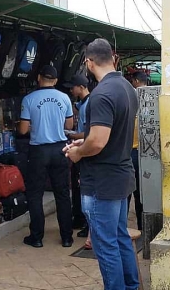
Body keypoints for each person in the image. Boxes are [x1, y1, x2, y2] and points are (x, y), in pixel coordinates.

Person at [63, 38, 139, 290]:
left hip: (102, 183)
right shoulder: (127, 88)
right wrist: (80, 144)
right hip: (121, 175)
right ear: (113, 58)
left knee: (106, 246)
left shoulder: (101, 94)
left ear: (88, 62)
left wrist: (77, 154)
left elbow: (97, 142)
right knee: (119, 239)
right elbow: (107, 132)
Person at [18, 65, 75, 248]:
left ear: (39, 78)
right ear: (56, 81)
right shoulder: (64, 98)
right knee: (63, 194)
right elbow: (70, 124)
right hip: (60, 149)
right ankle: (67, 238)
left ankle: (37, 237)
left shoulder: (29, 99)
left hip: (39, 151)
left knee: (35, 194)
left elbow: (23, 129)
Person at [62, 74, 91, 240]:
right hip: (81, 149)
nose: (71, 90)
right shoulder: (83, 103)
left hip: (83, 151)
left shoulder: (89, 105)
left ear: (80, 87)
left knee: (82, 188)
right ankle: (80, 221)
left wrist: (68, 134)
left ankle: (87, 226)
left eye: (72, 87)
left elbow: (87, 133)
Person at [129, 71, 148, 230]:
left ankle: (122, 227)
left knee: (126, 190)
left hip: (130, 151)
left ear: (135, 81)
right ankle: (142, 226)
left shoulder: (130, 96)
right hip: (145, 152)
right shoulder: (152, 97)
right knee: (141, 192)